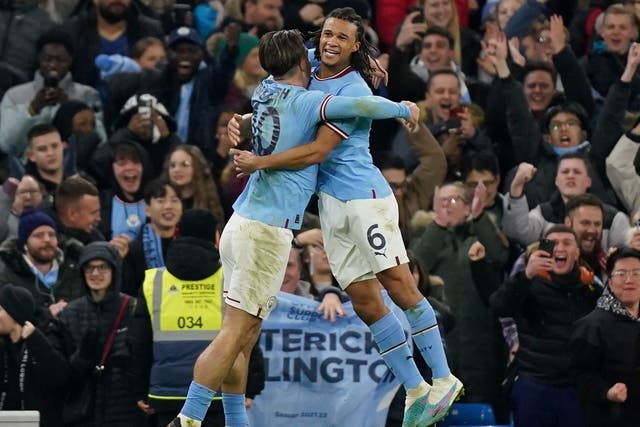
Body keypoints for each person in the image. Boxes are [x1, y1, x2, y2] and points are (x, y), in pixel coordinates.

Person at [170, 28, 420, 427]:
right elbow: (363, 105)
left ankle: (236, 422)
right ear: (304, 62)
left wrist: (360, 59)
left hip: (242, 223)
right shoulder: (307, 102)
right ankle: (189, 417)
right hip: (265, 233)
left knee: (245, 334)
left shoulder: (264, 91)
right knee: (235, 333)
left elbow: (293, 58)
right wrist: (404, 109)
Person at [230, 8, 462, 426]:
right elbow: (280, 96)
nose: (330, 42)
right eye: (327, 34)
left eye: (342, 37)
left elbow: (317, 150)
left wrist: (401, 107)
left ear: (356, 45)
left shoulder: (354, 87)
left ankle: (443, 377)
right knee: (366, 301)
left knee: (399, 285)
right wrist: (245, 121)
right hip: (331, 207)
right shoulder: (310, 66)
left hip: (363, 199)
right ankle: (416, 389)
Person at [138, 209, 265, 426]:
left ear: (177, 234)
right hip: (218, 392)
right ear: (217, 237)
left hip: (165, 394)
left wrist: (141, 389)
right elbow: (246, 339)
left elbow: (137, 342)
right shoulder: (230, 278)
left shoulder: (153, 280)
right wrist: (249, 387)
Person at [489, 225, 601, 427]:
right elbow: (499, 306)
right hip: (534, 385)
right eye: (553, 243)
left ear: (577, 253)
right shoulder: (528, 283)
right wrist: (525, 275)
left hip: (575, 387)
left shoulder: (590, 288)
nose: (559, 248)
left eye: (567, 243)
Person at [59, 241, 145, 426]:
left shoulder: (132, 307)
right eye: (89, 268)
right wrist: (82, 359)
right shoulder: (71, 312)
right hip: (84, 408)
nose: (95, 273)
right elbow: (62, 370)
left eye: (103, 267)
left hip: (124, 406)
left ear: (114, 271)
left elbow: (143, 356)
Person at [0, 28, 104, 162]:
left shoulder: (87, 95)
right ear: (38, 58)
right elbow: (6, 144)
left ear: (71, 60)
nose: (53, 65)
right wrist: (32, 109)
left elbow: (100, 141)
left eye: (60, 60)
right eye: (47, 59)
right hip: (26, 171)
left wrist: (70, 108)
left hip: (75, 169)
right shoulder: (15, 95)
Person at [570, 246, 640, 427]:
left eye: (636, 273)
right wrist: (607, 392)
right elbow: (580, 376)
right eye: (621, 273)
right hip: (611, 417)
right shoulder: (591, 326)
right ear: (609, 281)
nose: (629, 280)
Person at [0, 210, 85, 325]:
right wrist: (46, 315)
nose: (47, 240)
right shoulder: (7, 275)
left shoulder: (75, 267)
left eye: (51, 234)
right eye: (38, 235)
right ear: (25, 244)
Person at [0, 285, 68, 427]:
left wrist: (36, 340)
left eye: (0, 309)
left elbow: (61, 377)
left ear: (14, 313)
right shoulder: (3, 346)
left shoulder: (45, 338)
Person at [123, 179, 183, 296]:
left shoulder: (189, 245)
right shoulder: (134, 249)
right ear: (147, 209)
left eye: (175, 200)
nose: (168, 206)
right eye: (161, 201)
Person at [163, 145, 226, 228]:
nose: (177, 170)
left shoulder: (211, 199)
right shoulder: (161, 201)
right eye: (172, 165)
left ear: (197, 167)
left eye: (184, 164)